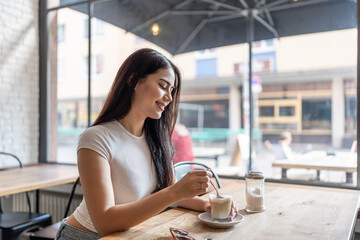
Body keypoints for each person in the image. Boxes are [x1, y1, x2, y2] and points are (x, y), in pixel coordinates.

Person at [56, 48, 237, 240]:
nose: (169, 97)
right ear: (133, 80)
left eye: (172, 90)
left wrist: (208, 205)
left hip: (130, 234)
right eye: (162, 85)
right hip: (85, 236)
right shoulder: (96, 138)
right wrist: (174, 192)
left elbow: (170, 196)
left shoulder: (156, 139)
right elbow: (104, 223)